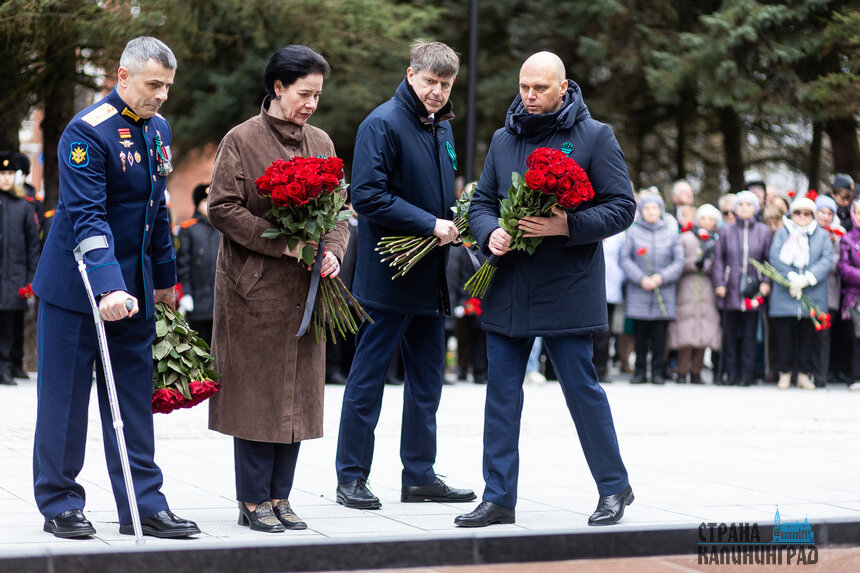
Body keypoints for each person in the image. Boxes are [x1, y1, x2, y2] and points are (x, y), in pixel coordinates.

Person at [456, 51, 635, 528]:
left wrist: (566, 226)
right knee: (501, 396)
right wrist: (489, 230)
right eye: (524, 88)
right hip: (509, 282)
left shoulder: (595, 137)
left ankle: (614, 488)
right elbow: (481, 202)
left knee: (581, 390)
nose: (530, 97)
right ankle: (498, 498)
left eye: (540, 88)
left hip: (567, 286)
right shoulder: (502, 138)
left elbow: (622, 208)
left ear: (564, 87)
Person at [31, 37, 199, 539]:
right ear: (122, 76)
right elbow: (88, 217)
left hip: (137, 290)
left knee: (131, 402)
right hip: (78, 290)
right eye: (153, 84)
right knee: (63, 403)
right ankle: (60, 502)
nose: (161, 95)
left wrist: (166, 281)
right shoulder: (86, 131)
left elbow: (157, 210)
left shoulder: (159, 129)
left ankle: (142, 503)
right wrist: (106, 288)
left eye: (167, 86)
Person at [206, 45, 349, 533]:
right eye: (304, 93)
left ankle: (281, 496)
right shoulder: (241, 139)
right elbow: (221, 208)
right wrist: (283, 244)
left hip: (309, 290)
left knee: (297, 393)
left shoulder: (322, 143)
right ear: (278, 87)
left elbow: (341, 212)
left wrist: (332, 249)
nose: (311, 104)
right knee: (256, 392)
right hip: (255, 289)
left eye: (317, 95)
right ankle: (252, 500)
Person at [335, 40, 475, 510]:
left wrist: (461, 222)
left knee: (427, 383)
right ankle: (351, 477)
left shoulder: (442, 128)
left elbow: (439, 198)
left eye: (446, 84)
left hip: (431, 277)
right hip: (388, 277)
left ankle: (419, 476)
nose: (437, 91)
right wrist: (430, 224)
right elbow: (368, 196)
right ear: (411, 74)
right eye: (430, 81)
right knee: (368, 379)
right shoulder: (382, 123)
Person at [768, 196, 833, 390]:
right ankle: (785, 373)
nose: (802, 217)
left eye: (807, 213)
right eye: (798, 213)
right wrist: (790, 278)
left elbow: (827, 259)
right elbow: (775, 256)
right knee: (784, 336)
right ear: (791, 214)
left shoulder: (821, 235)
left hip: (811, 294)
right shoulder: (782, 233)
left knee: (807, 337)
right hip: (785, 294)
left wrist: (807, 278)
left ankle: (804, 374)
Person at [620, 194, 684, 384]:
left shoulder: (671, 232)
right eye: (647, 209)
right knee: (639, 334)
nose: (651, 212)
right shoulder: (633, 231)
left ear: (660, 210)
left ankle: (658, 371)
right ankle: (639, 371)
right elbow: (625, 258)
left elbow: (678, 261)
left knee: (659, 335)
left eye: (654, 209)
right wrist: (641, 278)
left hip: (662, 291)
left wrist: (660, 277)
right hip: (639, 290)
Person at [712, 191, 772, 386]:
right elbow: (718, 259)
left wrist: (765, 282)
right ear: (735, 208)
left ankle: (747, 374)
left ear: (755, 207)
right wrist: (720, 283)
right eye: (741, 204)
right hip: (730, 288)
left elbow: (768, 259)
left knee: (749, 334)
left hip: (753, 289)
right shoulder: (726, 230)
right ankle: (731, 373)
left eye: (749, 204)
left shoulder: (763, 231)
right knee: (729, 334)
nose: (745, 208)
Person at [667, 204, 722, 384]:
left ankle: (696, 371)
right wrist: (692, 263)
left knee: (705, 331)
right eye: (704, 218)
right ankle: (682, 371)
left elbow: (720, 263)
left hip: (707, 288)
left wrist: (707, 266)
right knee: (685, 331)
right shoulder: (685, 238)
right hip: (687, 287)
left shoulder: (716, 241)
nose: (707, 222)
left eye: (711, 220)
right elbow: (677, 261)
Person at [0, 151, 40, 385]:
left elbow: (32, 245)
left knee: (12, 321)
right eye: (1, 173)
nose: (5, 178)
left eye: (8, 173)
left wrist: (31, 277)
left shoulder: (23, 206)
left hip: (15, 275)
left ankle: (11, 364)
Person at [176, 183, 220, 345]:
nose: (209, 204)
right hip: (197, 300)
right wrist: (186, 293)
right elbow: (183, 264)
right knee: (199, 346)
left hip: (218, 301)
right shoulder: (189, 229)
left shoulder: (221, 229)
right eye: (206, 201)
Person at [815, 194, 846, 386]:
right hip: (810, 289)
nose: (825, 216)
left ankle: (821, 374)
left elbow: (837, 262)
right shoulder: (808, 231)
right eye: (822, 212)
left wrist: (821, 264)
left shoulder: (838, 234)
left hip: (831, 291)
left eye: (829, 213)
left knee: (825, 334)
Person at [837, 198, 860, 391]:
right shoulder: (848, 239)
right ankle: (855, 375)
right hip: (854, 297)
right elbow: (844, 268)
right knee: (855, 337)